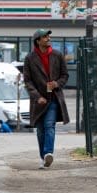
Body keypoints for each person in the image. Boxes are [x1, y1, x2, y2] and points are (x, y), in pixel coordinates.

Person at [23, 28, 70, 169]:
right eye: (45, 37)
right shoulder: (29, 58)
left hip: (53, 98)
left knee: (49, 125)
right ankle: (43, 158)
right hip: (38, 101)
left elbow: (65, 75)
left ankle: (48, 153)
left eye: (49, 37)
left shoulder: (58, 55)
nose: (48, 39)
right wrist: (37, 96)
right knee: (40, 130)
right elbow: (28, 81)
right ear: (38, 41)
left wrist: (57, 83)